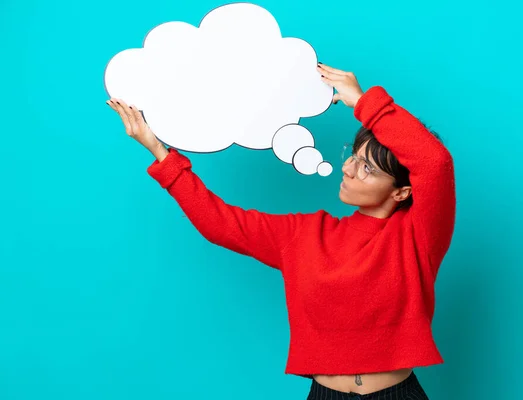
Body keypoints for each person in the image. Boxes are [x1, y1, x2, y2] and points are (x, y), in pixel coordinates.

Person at [107, 62, 456, 400]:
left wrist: (365, 103)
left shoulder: (418, 235)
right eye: (353, 156)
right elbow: (220, 223)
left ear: (401, 191)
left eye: (367, 168)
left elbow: (433, 161)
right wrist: (159, 152)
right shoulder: (305, 233)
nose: (348, 168)